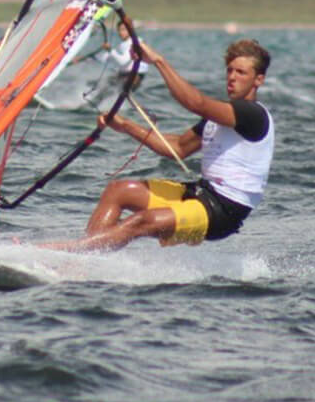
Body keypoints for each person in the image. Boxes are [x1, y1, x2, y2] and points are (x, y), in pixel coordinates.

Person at [58, 38, 274, 252]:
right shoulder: (221, 117)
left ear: (258, 80)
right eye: (230, 70)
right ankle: (89, 260)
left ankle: (73, 252)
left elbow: (195, 103)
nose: (232, 78)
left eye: (241, 73)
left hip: (223, 212)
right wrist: (126, 126)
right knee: (118, 191)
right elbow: (177, 147)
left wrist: (158, 61)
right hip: (202, 194)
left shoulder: (252, 114)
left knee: (143, 221)